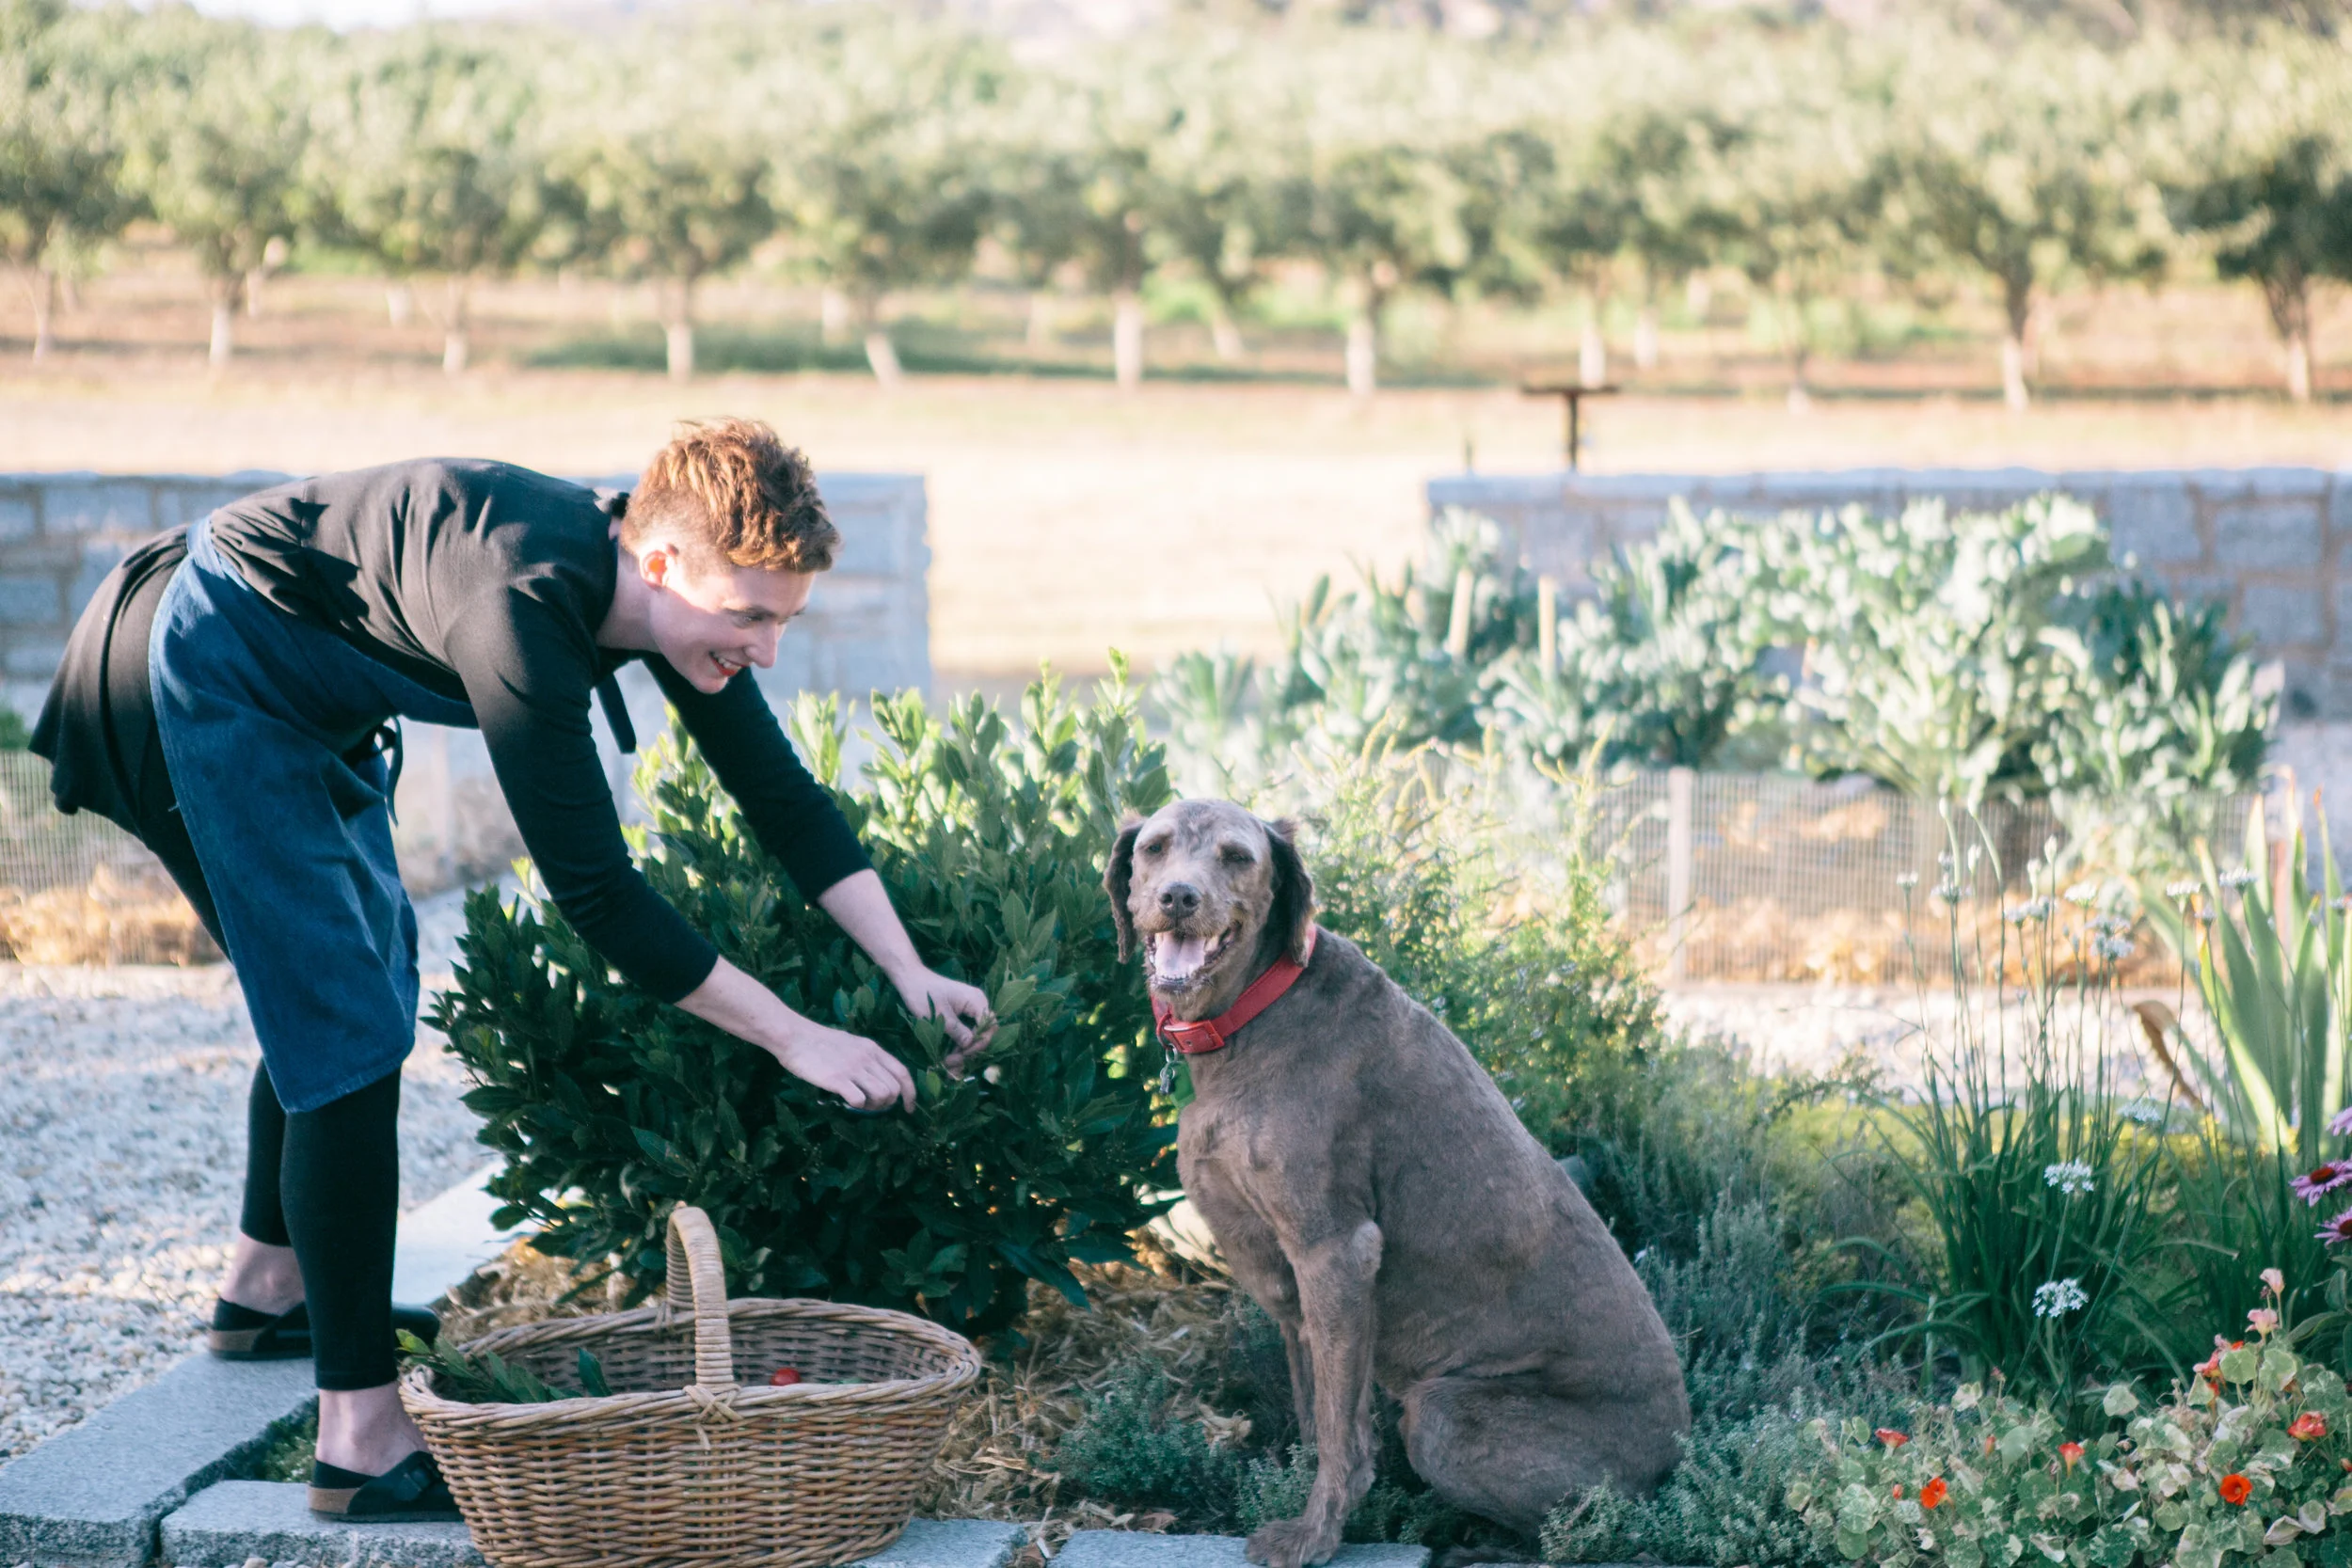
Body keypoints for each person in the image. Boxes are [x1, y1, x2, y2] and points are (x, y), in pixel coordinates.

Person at [30, 419, 993, 1521]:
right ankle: (358, 1435)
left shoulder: (662, 601)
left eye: (785, 617)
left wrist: (908, 969)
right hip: (188, 672)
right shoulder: (524, 605)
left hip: (289, 695)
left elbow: (779, 795)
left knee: (354, 988)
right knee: (341, 1025)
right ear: (662, 559)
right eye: (751, 616)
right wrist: (797, 1035)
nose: (766, 648)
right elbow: (598, 894)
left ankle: (266, 1287)